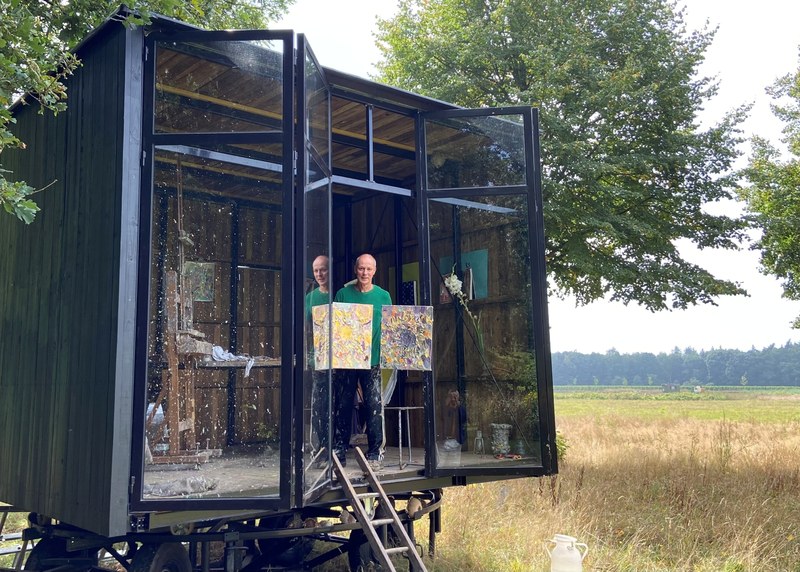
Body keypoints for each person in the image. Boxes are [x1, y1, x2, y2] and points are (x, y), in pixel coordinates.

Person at [333, 253, 392, 470]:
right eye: (361, 268)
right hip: (347, 359)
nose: (364, 273)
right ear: (355, 269)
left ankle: (375, 452)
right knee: (343, 404)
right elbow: (335, 326)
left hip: (373, 360)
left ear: (374, 271)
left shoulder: (383, 296)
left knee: (374, 405)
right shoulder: (342, 294)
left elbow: (390, 328)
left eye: (368, 269)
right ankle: (339, 450)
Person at [306, 255, 331, 465]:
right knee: (318, 407)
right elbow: (305, 329)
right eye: (316, 270)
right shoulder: (310, 298)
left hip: (340, 361)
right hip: (318, 360)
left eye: (323, 269)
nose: (320, 274)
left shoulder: (339, 295)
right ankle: (320, 450)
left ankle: (335, 451)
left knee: (337, 407)